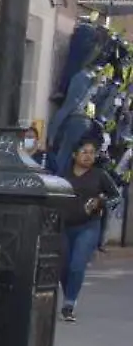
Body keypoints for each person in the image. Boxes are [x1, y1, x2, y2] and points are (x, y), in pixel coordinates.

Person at [59, 138, 119, 322]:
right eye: (84, 152)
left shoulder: (100, 175)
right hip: (63, 227)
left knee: (77, 264)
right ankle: (70, 291)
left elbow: (116, 197)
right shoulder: (63, 175)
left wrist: (101, 202)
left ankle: (69, 303)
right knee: (64, 267)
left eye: (92, 153)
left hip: (88, 226)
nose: (88, 156)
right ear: (74, 155)